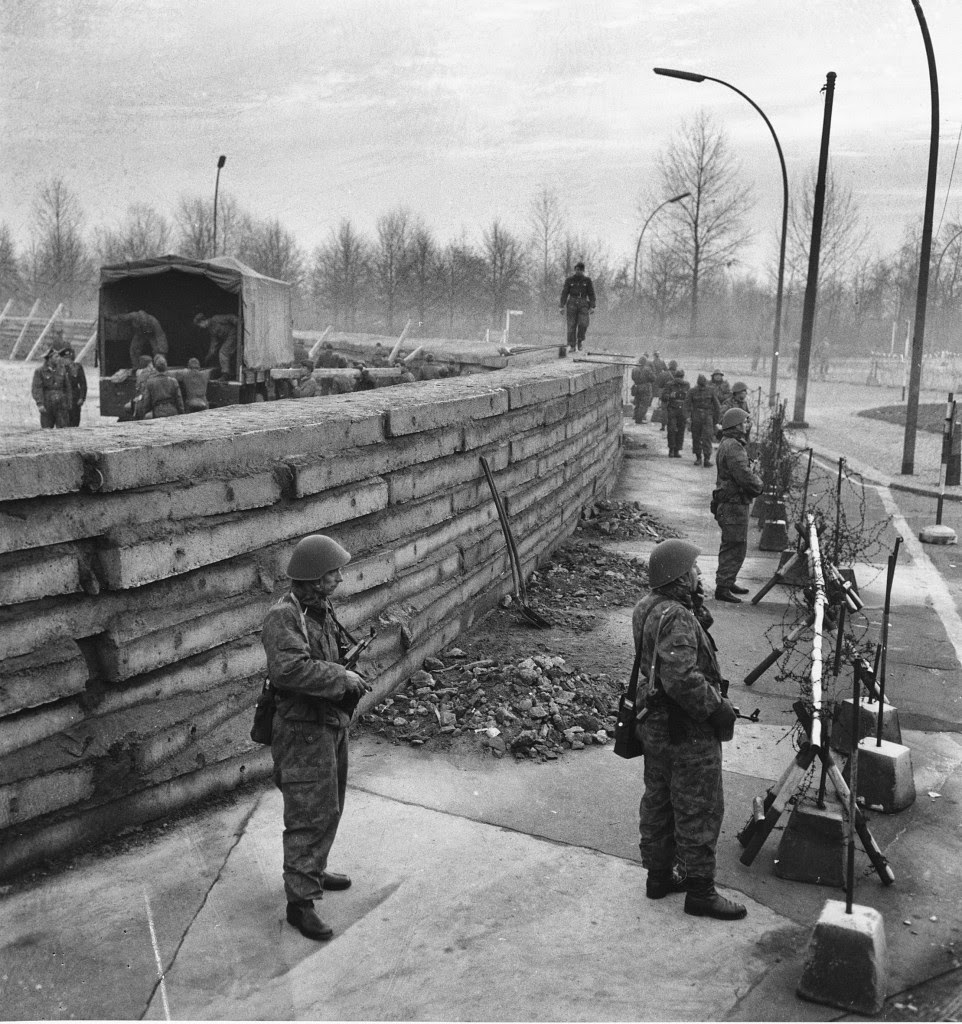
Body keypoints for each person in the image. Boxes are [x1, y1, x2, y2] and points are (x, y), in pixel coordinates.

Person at [261, 534, 371, 941]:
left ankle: (315, 869)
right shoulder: (283, 617)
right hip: (302, 731)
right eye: (332, 572)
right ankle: (300, 903)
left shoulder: (318, 609)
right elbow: (287, 671)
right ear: (312, 578)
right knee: (308, 813)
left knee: (330, 805)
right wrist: (341, 677)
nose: (340, 578)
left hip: (327, 723)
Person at [632, 538, 745, 920]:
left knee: (659, 800)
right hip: (686, 731)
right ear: (679, 578)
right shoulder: (677, 616)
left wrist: (696, 606)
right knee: (700, 807)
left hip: (655, 727)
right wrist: (717, 709)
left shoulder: (647, 607)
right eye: (694, 570)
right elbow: (680, 676)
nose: (700, 574)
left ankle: (659, 877)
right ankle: (700, 891)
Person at [713, 408, 763, 603]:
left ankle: (727, 581)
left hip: (730, 502)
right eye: (744, 422)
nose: (746, 425)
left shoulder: (728, 443)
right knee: (734, 546)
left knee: (734, 545)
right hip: (734, 504)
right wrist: (759, 485)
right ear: (736, 426)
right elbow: (743, 474)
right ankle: (723, 587)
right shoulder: (734, 446)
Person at [30, 347, 73, 429]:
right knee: (47, 430)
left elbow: (68, 388)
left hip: (61, 405)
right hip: (47, 405)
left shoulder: (62, 369)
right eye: (56, 357)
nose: (59, 358)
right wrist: (40, 404)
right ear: (49, 359)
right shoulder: (40, 371)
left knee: (63, 430)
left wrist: (69, 403)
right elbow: (36, 388)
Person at [559, 261, 596, 353]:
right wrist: (561, 306)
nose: (578, 271)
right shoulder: (569, 280)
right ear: (575, 270)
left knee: (584, 323)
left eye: (580, 270)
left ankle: (580, 340)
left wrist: (592, 306)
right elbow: (564, 293)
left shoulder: (587, 281)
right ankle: (572, 345)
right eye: (577, 269)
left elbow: (591, 293)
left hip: (583, 303)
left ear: (583, 271)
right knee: (571, 325)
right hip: (572, 303)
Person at [686, 374, 721, 467]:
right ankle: (698, 458)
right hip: (696, 416)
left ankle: (706, 459)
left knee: (707, 438)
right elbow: (687, 405)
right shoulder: (692, 391)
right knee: (696, 437)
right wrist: (688, 418)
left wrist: (716, 420)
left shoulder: (711, 391)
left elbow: (717, 406)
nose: (702, 387)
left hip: (707, 417)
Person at [193, 312, 239, 378]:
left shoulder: (216, 319)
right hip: (229, 338)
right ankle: (231, 373)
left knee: (223, 352)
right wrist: (208, 357)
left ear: (203, 321)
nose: (201, 327)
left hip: (234, 334)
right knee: (225, 353)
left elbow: (230, 317)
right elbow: (214, 344)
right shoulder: (211, 330)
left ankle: (225, 374)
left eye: (200, 325)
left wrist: (237, 322)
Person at [662, 368, 689, 458]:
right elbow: (664, 396)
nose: (679, 379)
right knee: (671, 429)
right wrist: (670, 395)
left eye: (681, 377)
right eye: (678, 377)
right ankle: (671, 449)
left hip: (682, 410)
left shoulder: (686, 385)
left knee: (681, 430)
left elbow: (689, 397)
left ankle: (677, 450)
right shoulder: (670, 384)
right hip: (672, 409)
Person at [60, 343, 87, 427]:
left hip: (75, 397)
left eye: (68, 359)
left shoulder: (77, 368)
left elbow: (83, 384)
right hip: (63, 397)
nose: (67, 360)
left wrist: (82, 398)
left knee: (75, 421)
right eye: (65, 358)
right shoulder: (58, 369)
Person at [631, 356, 656, 424]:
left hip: (637, 387)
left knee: (637, 403)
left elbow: (633, 377)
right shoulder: (647, 369)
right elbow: (653, 378)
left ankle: (635, 416)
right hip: (646, 387)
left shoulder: (634, 369)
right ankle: (639, 419)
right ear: (645, 362)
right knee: (644, 404)